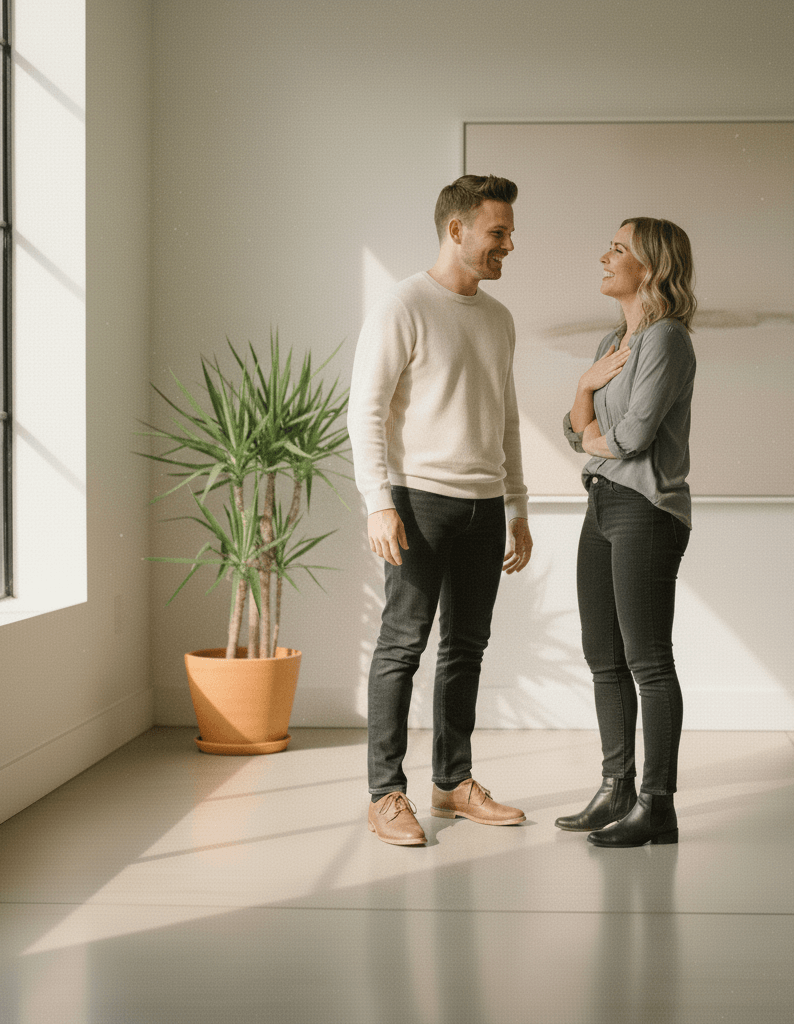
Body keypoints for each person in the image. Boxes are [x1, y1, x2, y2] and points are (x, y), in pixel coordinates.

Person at [347, 174, 533, 847]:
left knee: (467, 648)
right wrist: (378, 502)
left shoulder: (498, 318)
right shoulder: (403, 305)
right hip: (417, 502)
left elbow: (506, 417)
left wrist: (516, 503)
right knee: (402, 644)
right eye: (498, 232)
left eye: (509, 233)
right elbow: (364, 409)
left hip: (484, 506)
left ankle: (452, 783)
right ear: (457, 231)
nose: (509, 244)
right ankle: (385, 794)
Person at [555, 217, 696, 847]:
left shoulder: (666, 339)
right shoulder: (613, 341)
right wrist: (586, 386)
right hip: (602, 503)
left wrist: (589, 431)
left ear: (652, 265)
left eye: (618, 248)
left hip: (647, 509)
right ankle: (615, 791)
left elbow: (634, 436)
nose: (604, 256)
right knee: (603, 660)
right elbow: (572, 430)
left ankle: (657, 807)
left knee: (648, 662)